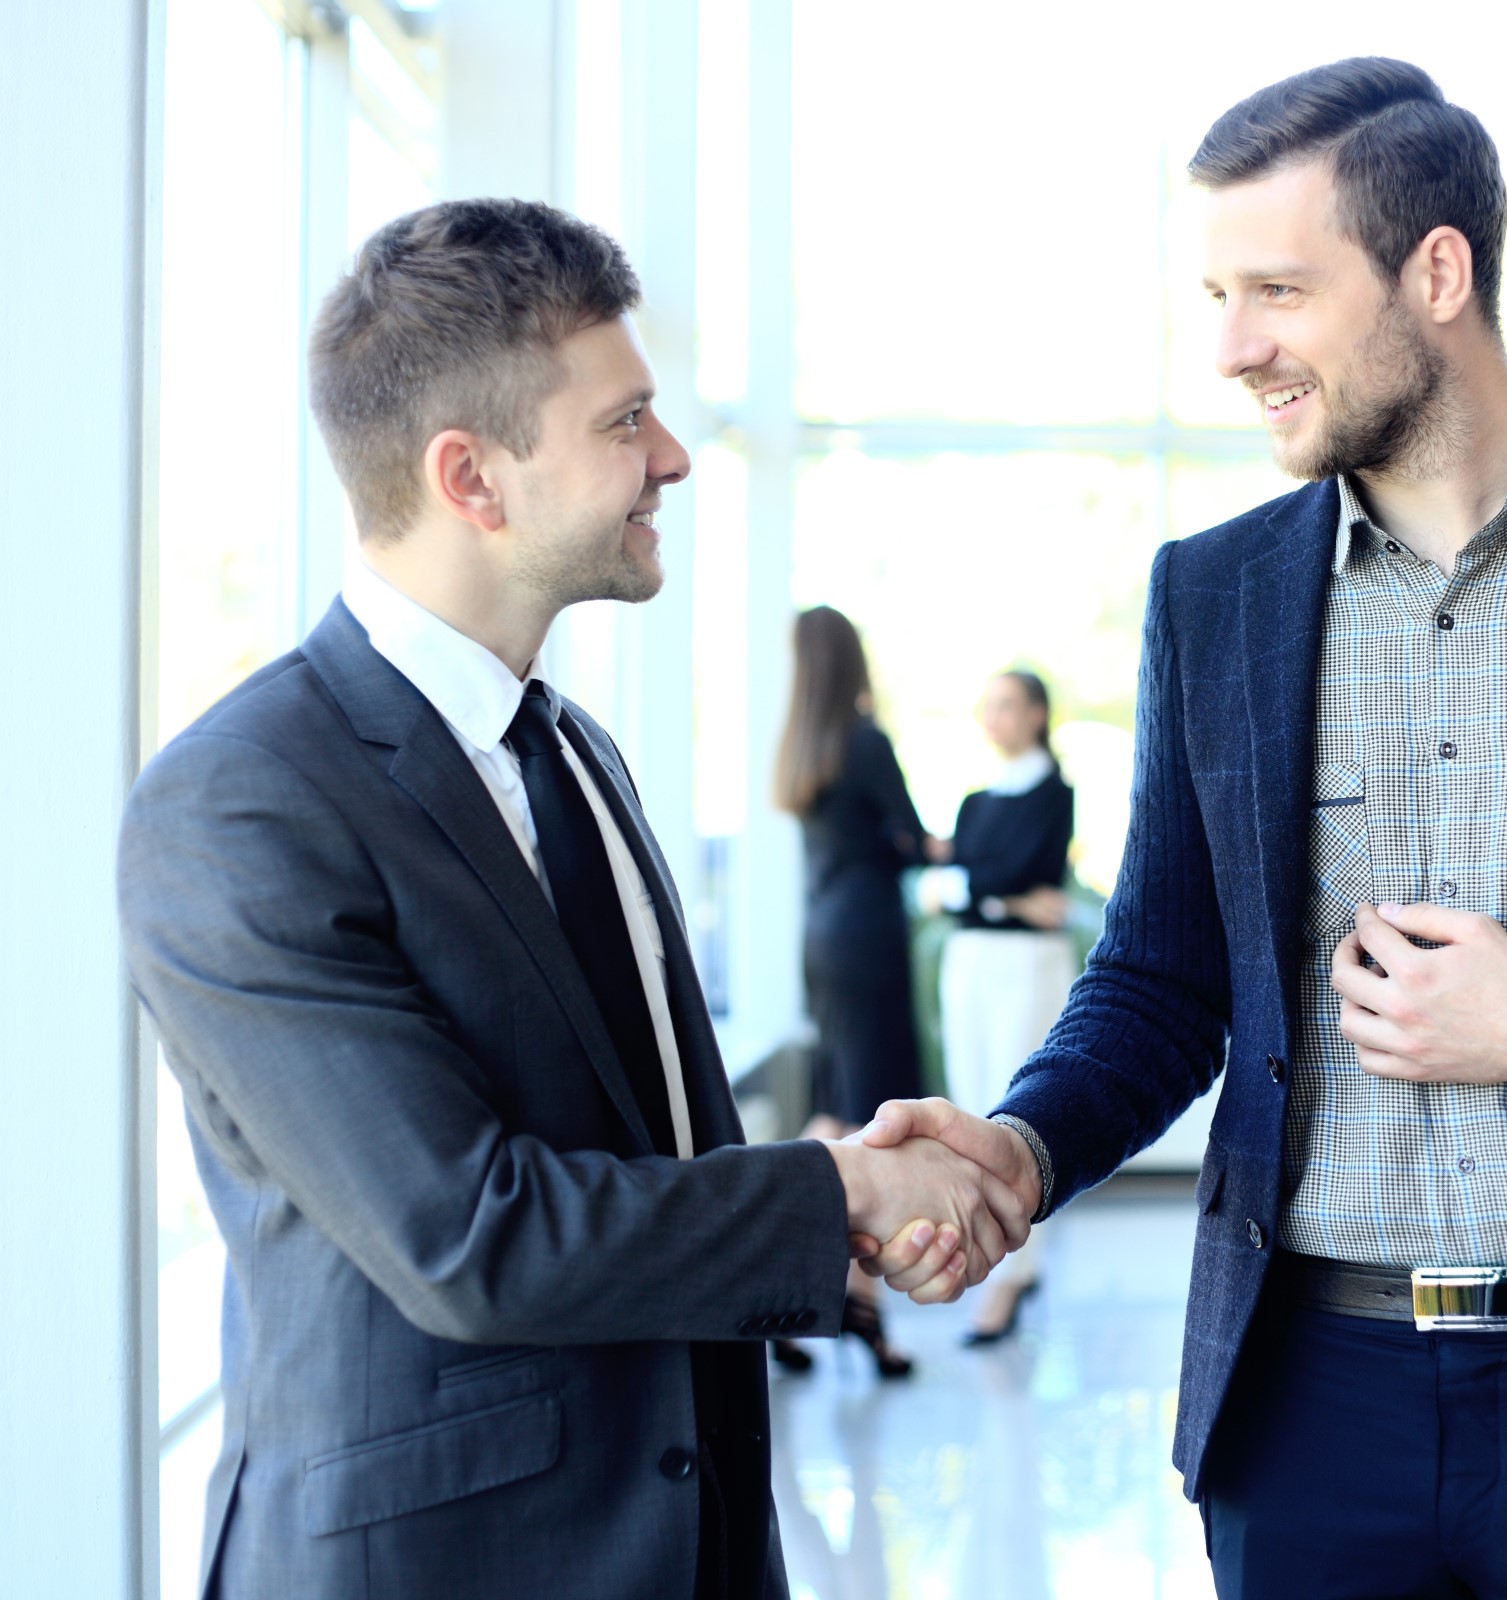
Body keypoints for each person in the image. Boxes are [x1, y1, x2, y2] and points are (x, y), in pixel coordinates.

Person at [861, 57, 1507, 1599]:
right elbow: (1161, 978)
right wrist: (1024, 1149)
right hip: (1308, 1407)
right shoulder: (1204, 598)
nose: (1232, 349)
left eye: (1278, 289)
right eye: (1218, 292)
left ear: (1438, 273)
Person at [116, 199, 1025, 1600]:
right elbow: (469, 1233)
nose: (669, 458)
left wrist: (832, 1220)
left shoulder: (576, 750)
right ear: (472, 478)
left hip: (688, 1531)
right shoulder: (242, 803)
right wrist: (835, 1186)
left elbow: (639, 1143)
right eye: (626, 424)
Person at [770, 604, 940, 1377]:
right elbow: (909, 839)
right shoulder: (865, 741)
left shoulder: (800, 745)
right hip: (868, 937)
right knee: (872, 1112)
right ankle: (861, 1308)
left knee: (838, 1100)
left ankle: (785, 1280)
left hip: (821, 936)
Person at [927, 671, 1076, 1343]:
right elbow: (967, 882)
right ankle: (1001, 1260)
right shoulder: (975, 800)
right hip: (971, 960)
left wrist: (977, 888)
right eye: (986, 707)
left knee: (1018, 1115)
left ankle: (1016, 1276)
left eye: (1008, 706)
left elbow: (1005, 868)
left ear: (1038, 714)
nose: (995, 719)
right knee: (970, 1106)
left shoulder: (1055, 795)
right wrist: (1002, 896)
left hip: (1025, 966)